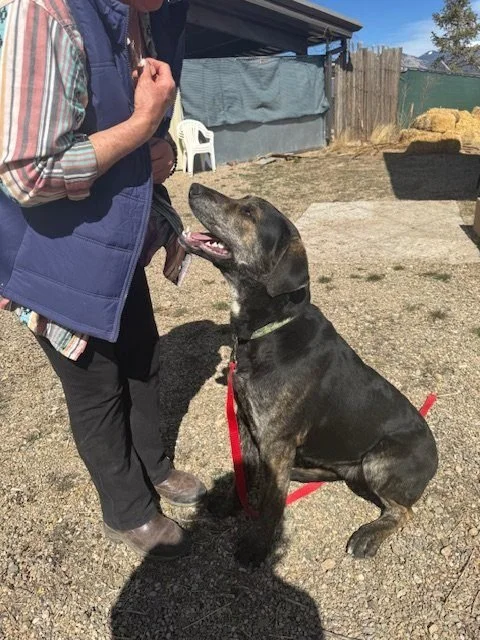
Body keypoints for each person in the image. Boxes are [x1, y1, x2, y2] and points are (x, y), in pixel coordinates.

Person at [0, 0, 205, 559]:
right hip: (53, 255)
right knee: (96, 387)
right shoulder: (45, 12)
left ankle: (154, 468)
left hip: (113, 245)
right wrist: (141, 129)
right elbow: (27, 173)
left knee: (142, 358)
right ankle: (127, 510)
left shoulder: (152, 16)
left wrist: (156, 156)